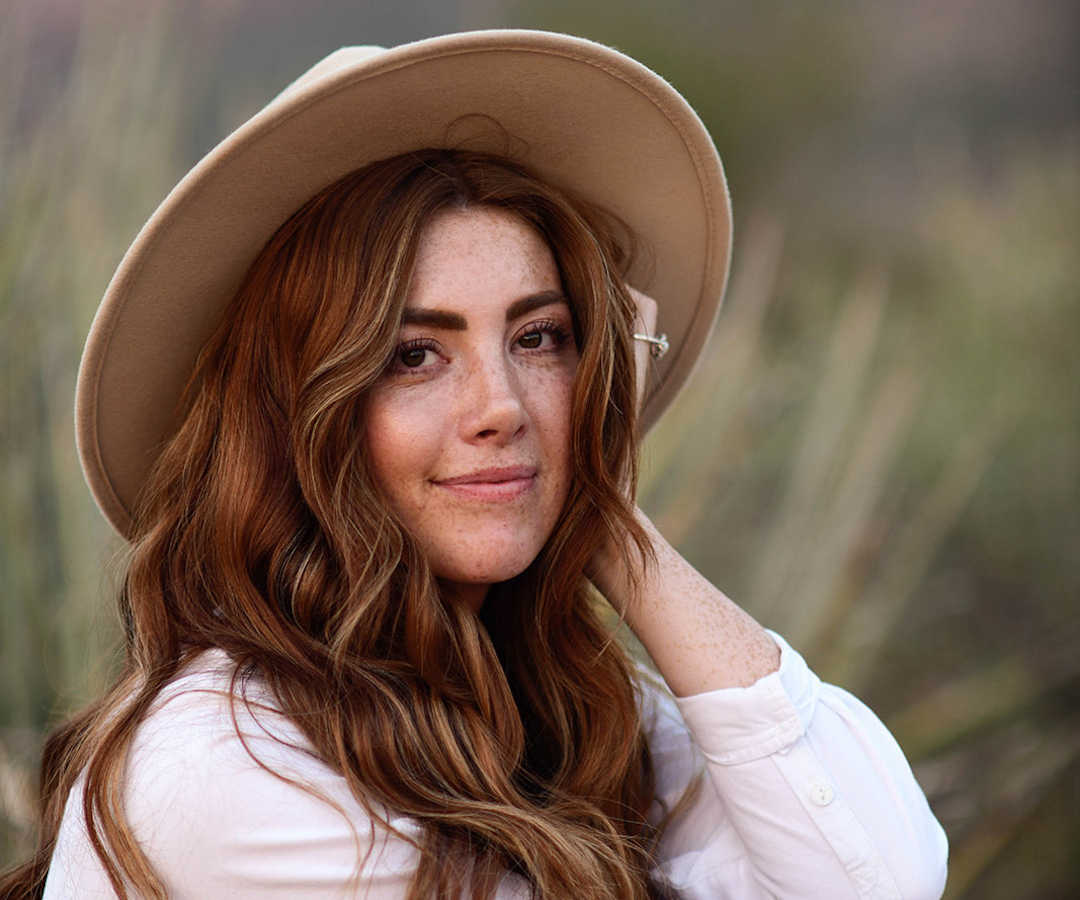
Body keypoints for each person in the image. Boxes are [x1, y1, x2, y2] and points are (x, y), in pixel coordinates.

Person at [2, 31, 948, 900]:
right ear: (293, 416)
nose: (501, 408)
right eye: (414, 354)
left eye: (540, 338)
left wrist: (604, 506)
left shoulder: (570, 714)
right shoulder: (231, 760)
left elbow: (877, 877)